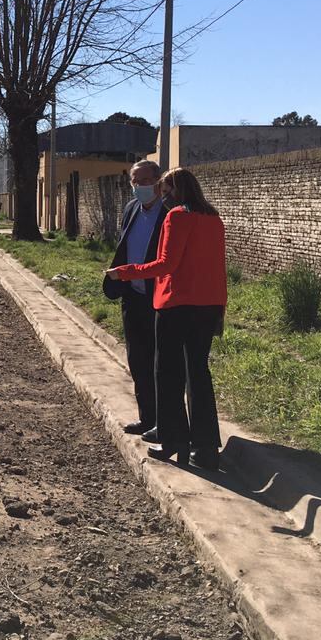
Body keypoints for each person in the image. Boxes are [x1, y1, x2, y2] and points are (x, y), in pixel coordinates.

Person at [106, 167, 227, 471]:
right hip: (208, 305)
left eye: (164, 190)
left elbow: (166, 264)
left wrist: (125, 272)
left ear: (173, 191)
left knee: (168, 373)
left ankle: (173, 439)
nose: (162, 196)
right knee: (198, 373)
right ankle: (206, 447)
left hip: (176, 304)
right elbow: (218, 268)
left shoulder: (177, 217)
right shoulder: (213, 219)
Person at [101, 160, 167, 437]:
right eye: (134, 181)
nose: (139, 186)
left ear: (158, 181)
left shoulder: (171, 212)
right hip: (133, 295)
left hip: (160, 298)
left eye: (144, 180)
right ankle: (146, 418)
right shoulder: (131, 209)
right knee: (137, 361)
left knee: (161, 363)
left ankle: (165, 422)